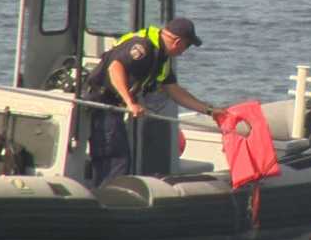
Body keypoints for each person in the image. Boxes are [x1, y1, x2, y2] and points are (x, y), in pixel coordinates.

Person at [83, 17, 223, 187]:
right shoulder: (144, 47)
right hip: (102, 102)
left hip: (114, 106)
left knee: (120, 155)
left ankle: (108, 193)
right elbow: (115, 67)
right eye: (186, 46)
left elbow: (174, 90)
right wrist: (130, 102)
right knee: (115, 158)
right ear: (178, 42)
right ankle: (106, 199)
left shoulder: (161, 58)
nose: (184, 52)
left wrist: (209, 110)